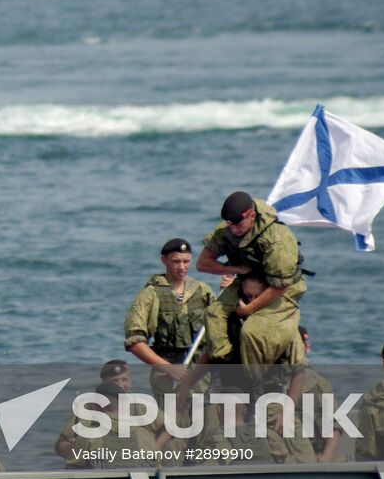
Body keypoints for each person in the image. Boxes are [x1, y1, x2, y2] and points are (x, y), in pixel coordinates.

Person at [197, 192, 306, 382]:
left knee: (250, 333)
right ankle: (223, 363)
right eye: (230, 224)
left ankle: (254, 382)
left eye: (238, 224)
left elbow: (280, 286)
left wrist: (250, 309)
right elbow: (203, 263)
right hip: (247, 279)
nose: (234, 229)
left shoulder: (276, 239)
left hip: (282, 288)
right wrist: (234, 268)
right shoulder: (227, 230)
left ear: (252, 216)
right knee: (213, 314)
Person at [124, 238, 215, 397]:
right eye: (176, 262)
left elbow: (221, 326)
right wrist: (168, 368)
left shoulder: (202, 291)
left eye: (186, 261)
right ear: (164, 260)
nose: (182, 267)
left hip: (203, 377)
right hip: (168, 379)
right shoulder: (151, 295)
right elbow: (135, 342)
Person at [56, 360, 132, 466]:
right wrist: (74, 447)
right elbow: (61, 445)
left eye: (124, 380)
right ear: (104, 382)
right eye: (115, 381)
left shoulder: (139, 407)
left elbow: (162, 426)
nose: (120, 385)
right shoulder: (89, 409)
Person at [297, 326, 342, 463]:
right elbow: (336, 426)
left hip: (306, 454)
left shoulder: (318, 384)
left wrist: (325, 457)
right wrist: (325, 457)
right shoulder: (319, 383)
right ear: (307, 348)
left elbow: (335, 426)